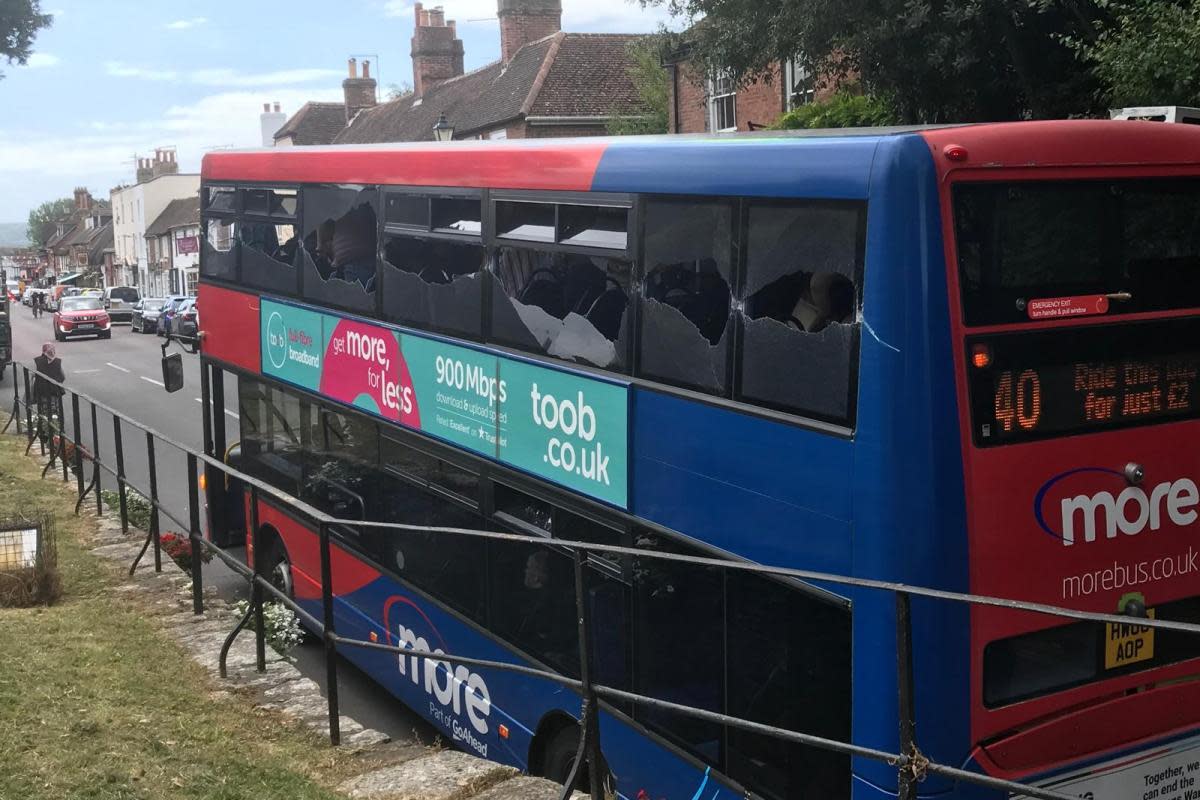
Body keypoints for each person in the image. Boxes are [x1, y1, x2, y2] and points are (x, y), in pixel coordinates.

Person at [33, 342, 65, 443]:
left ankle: (43, 431)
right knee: (55, 410)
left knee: (43, 409)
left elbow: (34, 375)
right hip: (54, 391)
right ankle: (56, 432)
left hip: (41, 391)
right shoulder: (57, 362)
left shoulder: (37, 361)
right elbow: (62, 377)